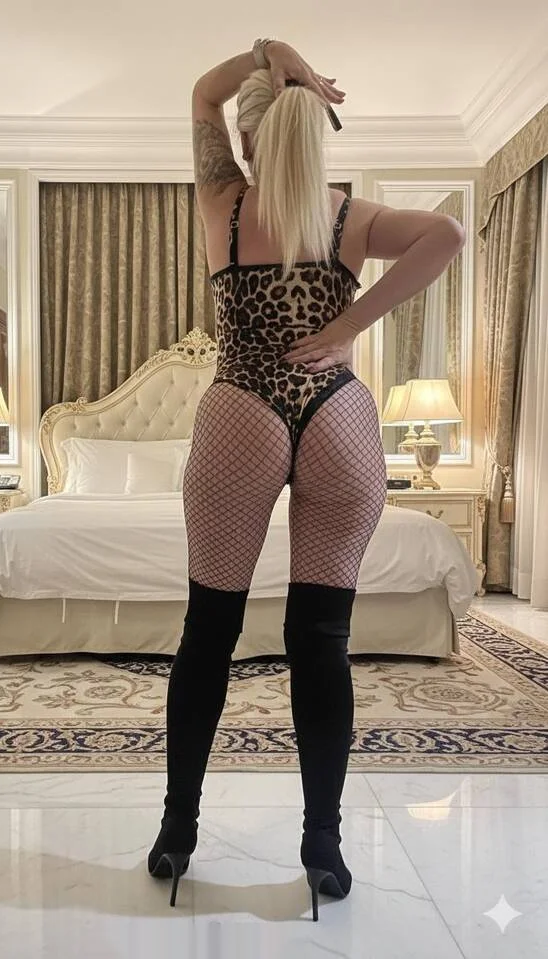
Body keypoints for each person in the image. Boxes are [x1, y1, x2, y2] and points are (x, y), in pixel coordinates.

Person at [148, 39, 466, 922]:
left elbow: (201, 96)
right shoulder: (350, 218)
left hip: (243, 407)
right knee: (321, 638)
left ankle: (178, 830)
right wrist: (350, 323)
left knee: (209, 631)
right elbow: (447, 235)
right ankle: (322, 842)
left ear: (251, 139)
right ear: (316, 136)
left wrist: (265, 52)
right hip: (338, 417)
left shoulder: (224, 202)